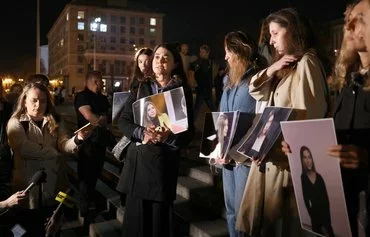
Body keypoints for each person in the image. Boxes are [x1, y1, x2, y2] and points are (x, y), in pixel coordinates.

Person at [236, 8, 329, 236]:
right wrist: (272, 69)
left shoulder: (307, 63)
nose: (271, 40)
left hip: (285, 167)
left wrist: (282, 153)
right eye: (270, 34)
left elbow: (310, 125)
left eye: (275, 33)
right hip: (270, 162)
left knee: (281, 227)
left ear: (294, 30)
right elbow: (255, 90)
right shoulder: (286, 67)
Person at [283, 2, 370, 236]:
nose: (349, 25)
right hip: (344, 204)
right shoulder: (348, 82)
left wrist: (366, 157)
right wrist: (301, 143)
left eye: (360, 18)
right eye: (348, 19)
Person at [116, 43, 194, 237]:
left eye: (166, 57)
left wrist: (170, 135)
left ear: (175, 63)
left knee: (158, 225)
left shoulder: (181, 92)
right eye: (157, 56)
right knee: (136, 225)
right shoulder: (140, 86)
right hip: (139, 163)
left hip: (164, 166)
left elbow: (188, 132)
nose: (161, 60)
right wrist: (142, 132)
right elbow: (123, 122)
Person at [6, 82, 86, 236]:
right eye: (34, 100)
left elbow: (64, 144)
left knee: (52, 230)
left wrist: (77, 140)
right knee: (24, 232)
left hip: (54, 188)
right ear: (24, 101)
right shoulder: (15, 122)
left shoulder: (55, 121)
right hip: (27, 193)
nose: (38, 105)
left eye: (43, 101)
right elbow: (24, 148)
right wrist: (54, 153)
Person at [210, 31, 266, 237]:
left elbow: (262, 116)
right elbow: (221, 116)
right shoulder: (227, 79)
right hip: (226, 158)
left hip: (245, 158)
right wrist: (217, 148)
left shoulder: (257, 77)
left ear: (239, 50)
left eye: (227, 52)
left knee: (245, 213)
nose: (225, 57)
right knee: (232, 210)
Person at [74, 71, 115, 217]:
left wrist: (103, 119)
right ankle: (83, 207)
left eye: (101, 81)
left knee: (96, 172)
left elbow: (110, 117)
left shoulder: (102, 98)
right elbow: (90, 117)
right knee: (85, 174)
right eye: (98, 81)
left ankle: (90, 199)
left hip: (101, 141)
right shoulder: (82, 96)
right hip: (87, 142)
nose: (101, 84)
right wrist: (101, 119)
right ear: (91, 81)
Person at [299, 146, 334, 236]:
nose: (307, 160)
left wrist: (326, 223)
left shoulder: (319, 177)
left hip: (326, 218)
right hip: (315, 219)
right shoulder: (303, 178)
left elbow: (326, 202)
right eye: (305, 157)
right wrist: (315, 220)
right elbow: (307, 202)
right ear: (302, 160)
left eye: (309, 157)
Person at [190, 44, 217, 122]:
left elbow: (210, 75)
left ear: (207, 53)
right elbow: (193, 71)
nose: (200, 53)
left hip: (206, 89)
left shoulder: (210, 62)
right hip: (201, 89)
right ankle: (191, 124)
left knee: (200, 108)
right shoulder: (199, 62)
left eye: (203, 52)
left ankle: (220, 121)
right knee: (198, 108)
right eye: (200, 52)